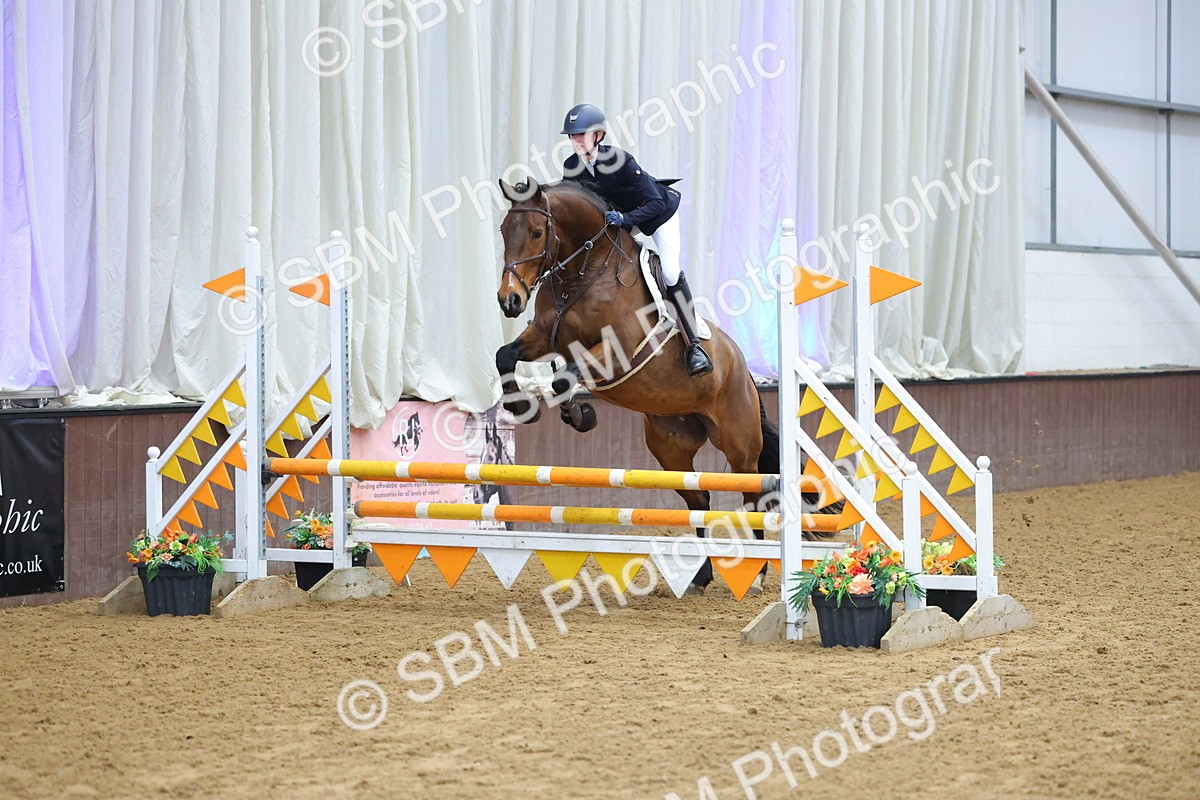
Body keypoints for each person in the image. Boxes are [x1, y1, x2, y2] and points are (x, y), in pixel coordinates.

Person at [559, 103, 713, 377]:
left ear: (598, 135)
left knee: (670, 272)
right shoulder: (572, 166)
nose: (576, 140)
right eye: (572, 136)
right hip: (620, 219)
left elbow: (655, 203)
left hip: (658, 214)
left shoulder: (621, 160)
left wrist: (625, 219)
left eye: (581, 134)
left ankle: (695, 346)